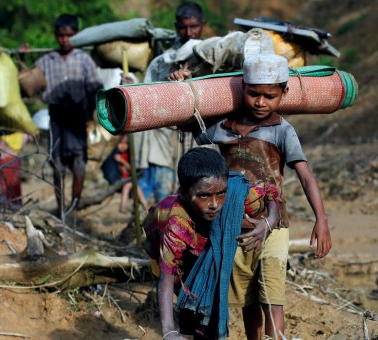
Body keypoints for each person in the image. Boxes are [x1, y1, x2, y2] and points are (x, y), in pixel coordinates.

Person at [190, 54, 333, 339]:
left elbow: (305, 175)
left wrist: (321, 219)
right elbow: (189, 121)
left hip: (273, 223)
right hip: (235, 224)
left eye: (270, 96)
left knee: (272, 297)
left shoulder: (282, 130)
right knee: (247, 298)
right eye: (254, 93)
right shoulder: (223, 127)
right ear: (242, 88)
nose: (260, 102)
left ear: (284, 93)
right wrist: (183, 85)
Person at [144, 147, 280, 339]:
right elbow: (166, 280)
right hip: (163, 245)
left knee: (209, 298)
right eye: (204, 196)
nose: (215, 204)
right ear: (183, 193)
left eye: (221, 193)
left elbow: (271, 193)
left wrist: (270, 221)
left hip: (201, 246)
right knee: (190, 299)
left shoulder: (235, 194)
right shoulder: (177, 225)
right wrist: (169, 332)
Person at [20, 14, 103, 212]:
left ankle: (74, 204)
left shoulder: (84, 60)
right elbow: (28, 82)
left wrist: (91, 111)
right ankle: (61, 207)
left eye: (69, 35)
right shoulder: (47, 60)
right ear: (56, 36)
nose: (65, 40)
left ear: (77, 35)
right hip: (56, 116)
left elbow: (95, 86)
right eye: (61, 35)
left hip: (77, 116)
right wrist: (21, 59)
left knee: (79, 162)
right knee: (57, 164)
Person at [132, 1, 208, 207]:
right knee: (168, 191)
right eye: (184, 27)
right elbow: (147, 92)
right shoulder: (163, 61)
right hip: (167, 136)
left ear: (203, 25)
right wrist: (170, 82)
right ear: (177, 27)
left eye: (194, 26)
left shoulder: (215, 55)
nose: (189, 32)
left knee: (203, 186)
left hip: (205, 135)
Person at [100, 135, 148, 212]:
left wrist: (122, 162)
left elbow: (129, 168)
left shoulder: (127, 155)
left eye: (125, 144)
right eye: (121, 143)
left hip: (126, 179)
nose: (122, 146)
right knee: (129, 186)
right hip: (119, 180)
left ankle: (144, 205)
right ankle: (125, 206)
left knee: (135, 186)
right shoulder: (115, 154)